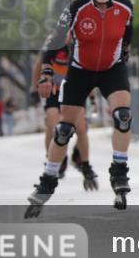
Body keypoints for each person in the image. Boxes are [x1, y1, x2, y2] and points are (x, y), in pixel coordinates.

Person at [25, 0, 135, 216]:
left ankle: (119, 171)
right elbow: (54, 40)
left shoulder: (125, 6)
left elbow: (127, 36)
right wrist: (46, 74)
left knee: (123, 115)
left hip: (111, 69)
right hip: (80, 71)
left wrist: (123, 56)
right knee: (64, 129)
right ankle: (48, 180)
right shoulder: (76, 7)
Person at [31, 44, 95, 188]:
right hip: (54, 89)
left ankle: (84, 162)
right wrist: (34, 87)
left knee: (81, 127)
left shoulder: (82, 40)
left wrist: (91, 94)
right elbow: (39, 64)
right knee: (53, 124)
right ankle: (53, 160)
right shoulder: (54, 43)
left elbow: (91, 69)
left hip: (74, 89)